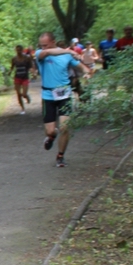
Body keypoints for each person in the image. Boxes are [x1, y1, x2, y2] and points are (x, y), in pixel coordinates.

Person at [36, 32, 88, 167]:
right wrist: (69, 51)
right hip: (48, 96)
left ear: (53, 42)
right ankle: (51, 136)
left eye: (45, 45)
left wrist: (86, 73)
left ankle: (60, 156)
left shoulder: (66, 56)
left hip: (65, 95)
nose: (43, 48)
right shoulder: (40, 54)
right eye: (41, 45)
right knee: (50, 130)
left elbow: (81, 67)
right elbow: (46, 53)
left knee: (65, 127)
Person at [10, 44, 33, 114]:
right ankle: (22, 109)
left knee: (24, 94)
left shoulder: (27, 58)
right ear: (15, 50)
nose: (19, 51)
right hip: (17, 77)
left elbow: (31, 66)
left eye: (20, 50)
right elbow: (12, 66)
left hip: (25, 77)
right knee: (18, 94)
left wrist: (33, 72)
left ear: (22, 50)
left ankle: (26, 96)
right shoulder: (14, 59)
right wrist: (10, 71)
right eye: (17, 50)